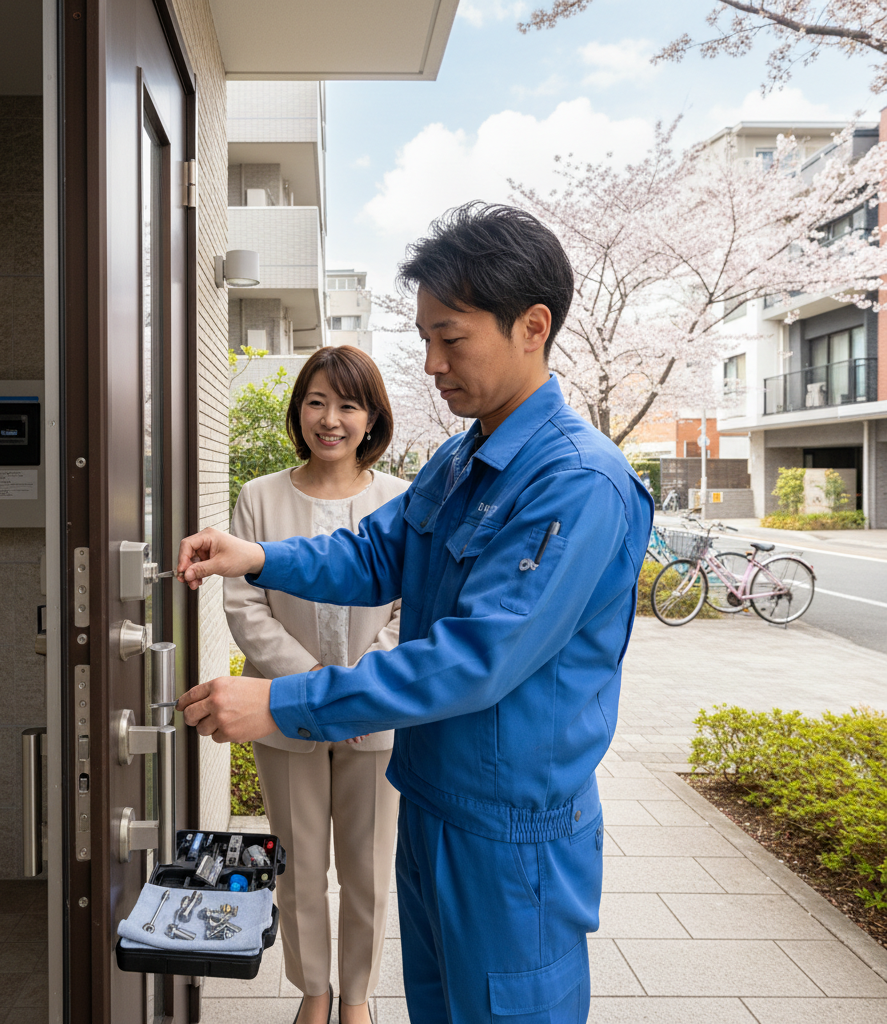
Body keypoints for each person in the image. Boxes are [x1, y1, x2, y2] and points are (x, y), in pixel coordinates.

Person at [175, 203, 654, 1024]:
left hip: (509, 833)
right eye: (425, 337)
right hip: (431, 792)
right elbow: (374, 555)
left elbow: (476, 656)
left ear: (532, 326)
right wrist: (258, 555)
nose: (430, 362)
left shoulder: (575, 482)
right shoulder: (463, 457)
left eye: (451, 337)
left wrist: (282, 700)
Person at [224, 345, 408, 1024]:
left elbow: (408, 609)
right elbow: (245, 607)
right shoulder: (259, 497)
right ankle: (314, 990)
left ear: (372, 417)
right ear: (299, 410)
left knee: (366, 869)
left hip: (377, 714)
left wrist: (359, 691)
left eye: (348, 404)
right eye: (317, 402)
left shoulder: (402, 500)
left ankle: (357, 998)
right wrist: (313, 688)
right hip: (284, 710)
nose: (331, 419)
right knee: (299, 865)